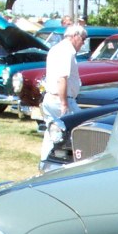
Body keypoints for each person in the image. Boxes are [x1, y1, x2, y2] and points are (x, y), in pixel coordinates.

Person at [39, 24, 86, 168]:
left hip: (50, 98)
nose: (83, 43)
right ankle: (73, 164)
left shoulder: (55, 49)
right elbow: (62, 78)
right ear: (75, 36)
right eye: (83, 39)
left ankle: (45, 164)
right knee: (81, 128)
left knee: (51, 132)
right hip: (61, 99)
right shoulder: (67, 51)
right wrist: (64, 102)